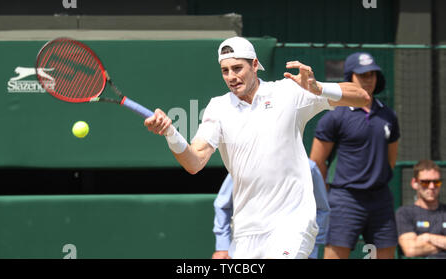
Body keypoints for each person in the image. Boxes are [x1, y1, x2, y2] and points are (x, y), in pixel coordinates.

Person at [144, 36, 370, 259]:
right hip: (245, 232)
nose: (231, 77)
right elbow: (194, 162)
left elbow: (361, 97)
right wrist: (170, 133)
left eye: (237, 68)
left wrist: (318, 88)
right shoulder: (218, 107)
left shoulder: (290, 92)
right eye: (225, 71)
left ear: (254, 65)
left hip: (291, 223)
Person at [310, 52, 400, 259]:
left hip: (380, 199)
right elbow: (316, 162)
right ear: (350, 77)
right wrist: (325, 196)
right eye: (362, 75)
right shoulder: (335, 116)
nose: (368, 80)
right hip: (344, 199)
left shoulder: (389, 115)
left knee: (384, 254)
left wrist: (375, 180)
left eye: (372, 74)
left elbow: (391, 160)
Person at [211, 159, 330, 259]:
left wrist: (311, 249)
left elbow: (320, 210)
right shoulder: (243, 164)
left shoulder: (308, 168)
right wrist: (223, 246)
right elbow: (223, 205)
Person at [395, 160, 446, 258]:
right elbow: (411, 250)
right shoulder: (404, 213)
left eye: (436, 182)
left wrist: (428, 237)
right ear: (415, 183)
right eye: (425, 182)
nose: (431, 186)